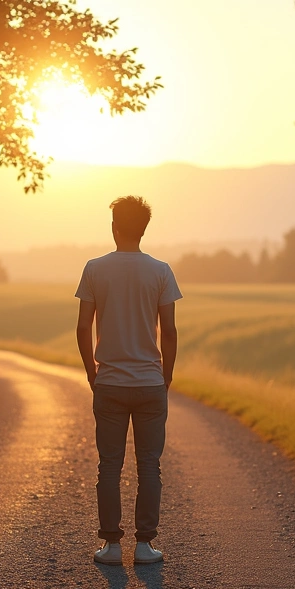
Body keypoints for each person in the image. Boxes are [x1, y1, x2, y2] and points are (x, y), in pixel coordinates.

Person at [75, 195, 182, 566]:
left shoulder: (94, 268)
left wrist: (92, 371)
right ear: (144, 228)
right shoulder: (161, 270)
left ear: (114, 227)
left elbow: (82, 326)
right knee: (150, 466)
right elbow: (168, 331)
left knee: (109, 465)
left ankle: (111, 546)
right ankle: (145, 545)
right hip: (151, 383)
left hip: (110, 383)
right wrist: (165, 374)